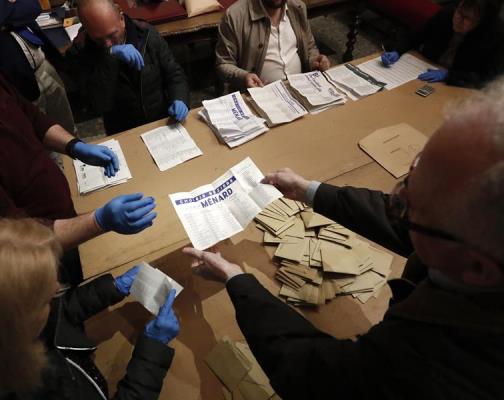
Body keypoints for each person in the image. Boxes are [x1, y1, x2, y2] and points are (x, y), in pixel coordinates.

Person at [183, 76, 504, 398]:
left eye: (408, 204)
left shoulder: (433, 368)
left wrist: (236, 280)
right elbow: (397, 220)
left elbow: (315, 374)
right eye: (413, 171)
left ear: (477, 268)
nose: (397, 197)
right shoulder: (473, 240)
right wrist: (311, 191)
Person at [0, 0, 156, 284]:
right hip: (36, 263)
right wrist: (98, 221)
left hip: (61, 219)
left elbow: (28, 113)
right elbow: (15, 239)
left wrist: (74, 146)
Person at [0, 218, 180, 399]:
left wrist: (112, 288)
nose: (59, 293)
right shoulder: (42, 391)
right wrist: (152, 351)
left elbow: (59, 318)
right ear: (8, 332)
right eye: (49, 296)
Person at [67, 0, 190, 134]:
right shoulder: (81, 50)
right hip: (123, 130)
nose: (107, 43)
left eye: (112, 35)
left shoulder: (146, 33)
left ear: (121, 19)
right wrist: (110, 55)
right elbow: (99, 105)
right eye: (98, 39)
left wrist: (180, 98)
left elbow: (174, 74)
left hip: (160, 121)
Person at [0, 0, 76, 132]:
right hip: (11, 83)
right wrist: (6, 5)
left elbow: (32, 7)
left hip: (43, 66)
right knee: (40, 139)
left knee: (69, 132)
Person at [381, 0, 504, 88]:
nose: (458, 19)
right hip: (423, 70)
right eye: (459, 12)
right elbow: (413, 36)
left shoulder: (495, 35)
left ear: (480, 22)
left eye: (467, 18)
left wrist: (449, 76)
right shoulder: (447, 14)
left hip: (457, 86)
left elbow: (491, 79)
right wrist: (397, 50)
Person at [216, 0, 331, 91]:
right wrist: (244, 77)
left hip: (301, 87)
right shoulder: (234, 16)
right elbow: (224, 64)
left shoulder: (298, 7)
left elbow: (310, 47)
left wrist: (314, 61)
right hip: (260, 94)